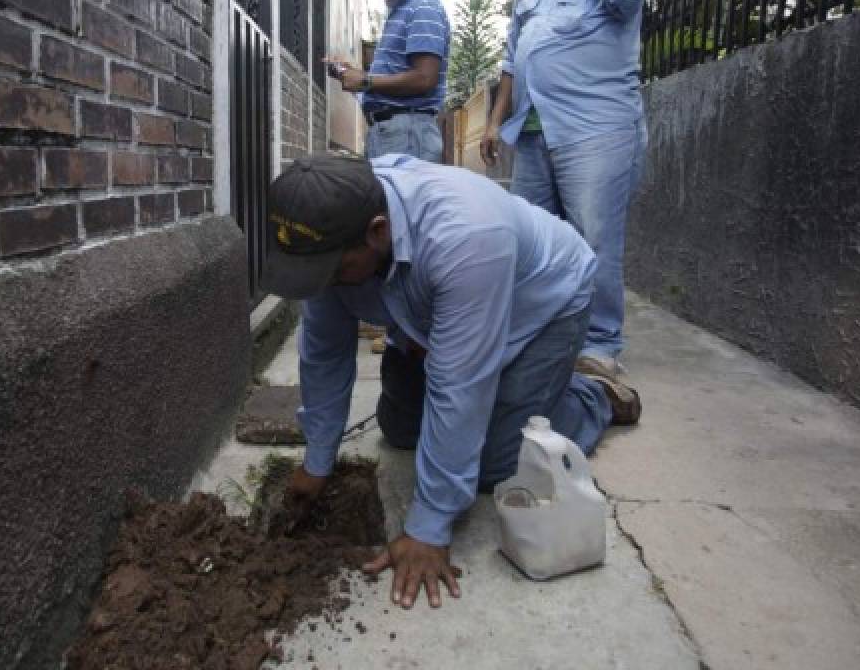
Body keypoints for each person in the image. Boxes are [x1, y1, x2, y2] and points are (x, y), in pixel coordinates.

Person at [260, 154, 639, 610]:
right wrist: (317, 462)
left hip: (543, 304)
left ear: (378, 232)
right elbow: (323, 355)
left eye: (335, 271)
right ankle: (516, 384)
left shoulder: (466, 235)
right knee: (401, 431)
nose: (326, 285)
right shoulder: (333, 227)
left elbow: (460, 386)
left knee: (493, 465)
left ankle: (592, 393)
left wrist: (429, 524)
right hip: (442, 314)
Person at [481, 0, 656, 382]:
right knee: (536, 239)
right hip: (534, 132)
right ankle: (544, 334)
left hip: (598, 128)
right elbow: (514, 58)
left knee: (594, 238)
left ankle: (601, 344)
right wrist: (495, 121)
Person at [327, 0, 451, 163]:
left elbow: (424, 78)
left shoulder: (423, 8)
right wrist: (350, 74)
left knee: (399, 200)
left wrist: (366, 81)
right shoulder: (404, 11)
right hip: (394, 133)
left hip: (407, 134)